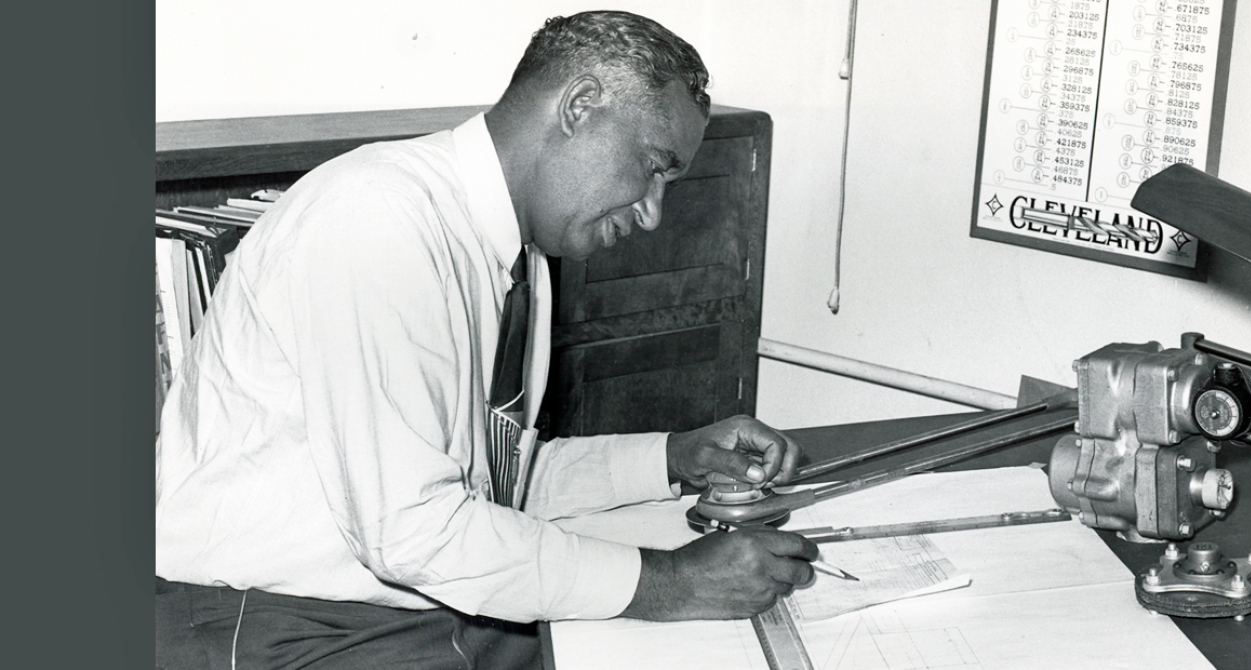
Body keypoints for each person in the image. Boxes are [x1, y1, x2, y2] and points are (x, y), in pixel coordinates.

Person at [155, 11, 817, 670]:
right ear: (580, 105)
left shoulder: (513, 252)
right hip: (271, 623)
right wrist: (669, 583)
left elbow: (498, 481)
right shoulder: (376, 220)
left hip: (401, 605)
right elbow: (415, 530)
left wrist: (673, 458)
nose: (652, 212)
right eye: (650, 168)